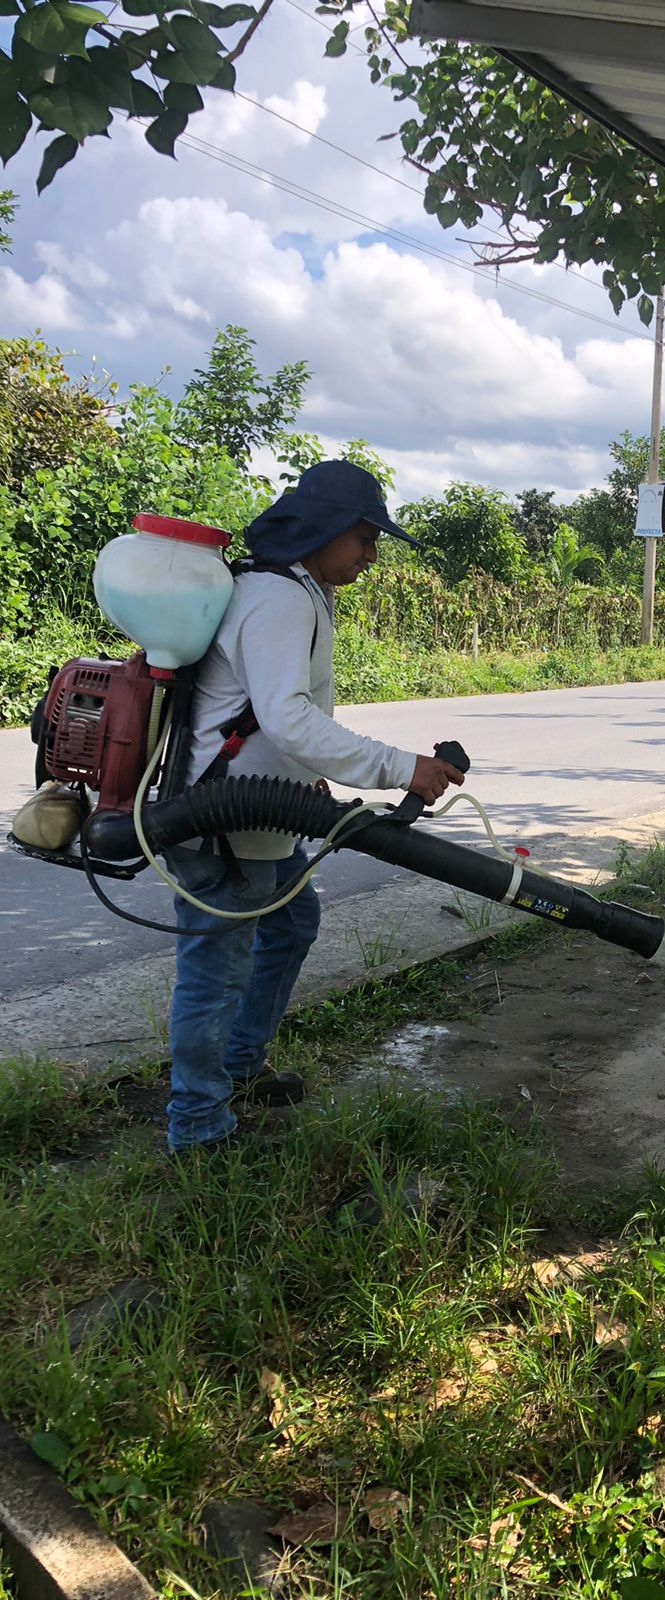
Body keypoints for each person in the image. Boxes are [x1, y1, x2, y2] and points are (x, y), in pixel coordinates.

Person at [164, 459, 464, 1154]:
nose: (372, 555)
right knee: (215, 973)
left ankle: (239, 1066)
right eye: (365, 538)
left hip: (266, 816)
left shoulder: (297, 588)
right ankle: (198, 1127)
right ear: (326, 529)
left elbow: (270, 716)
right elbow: (287, 718)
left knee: (293, 922)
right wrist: (403, 768)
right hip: (223, 824)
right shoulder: (279, 597)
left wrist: (307, 781)